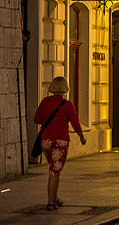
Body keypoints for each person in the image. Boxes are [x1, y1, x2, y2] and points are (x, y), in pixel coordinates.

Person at [34, 76, 86, 210]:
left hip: (45, 141)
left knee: (54, 169)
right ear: (65, 89)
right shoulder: (67, 105)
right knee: (54, 171)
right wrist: (81, 137)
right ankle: (51, 202)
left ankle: (55, 197)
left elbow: (37, 119)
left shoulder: (45, 102)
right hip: (60, 141)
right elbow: (75, 123)